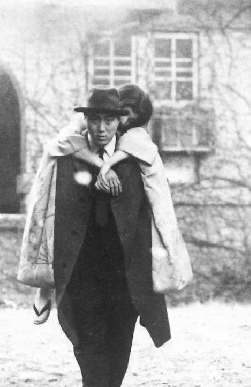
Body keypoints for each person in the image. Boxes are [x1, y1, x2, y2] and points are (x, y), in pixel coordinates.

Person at [17, 88, 171, 387]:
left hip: (123, 257)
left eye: (108, 120)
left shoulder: (137, 156)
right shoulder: (70, 153)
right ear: (85, 120)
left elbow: (156, 205)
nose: (101, 128)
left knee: (121, 321)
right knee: (83, 318)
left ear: (120, 122)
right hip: (82, 253)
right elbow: (46, 205)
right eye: (95, 120)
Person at [25, 84, 192, 325]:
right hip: (79, 199)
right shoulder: (89, 122)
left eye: (127, 118)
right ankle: (44, 286)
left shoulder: (134, 132)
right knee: (52, 215)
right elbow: (61, 143)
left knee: (156, 220)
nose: (123, 122)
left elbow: (139, 147)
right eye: (122, 113)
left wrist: (109, 164)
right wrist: (99, 163)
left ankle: (150, 297)